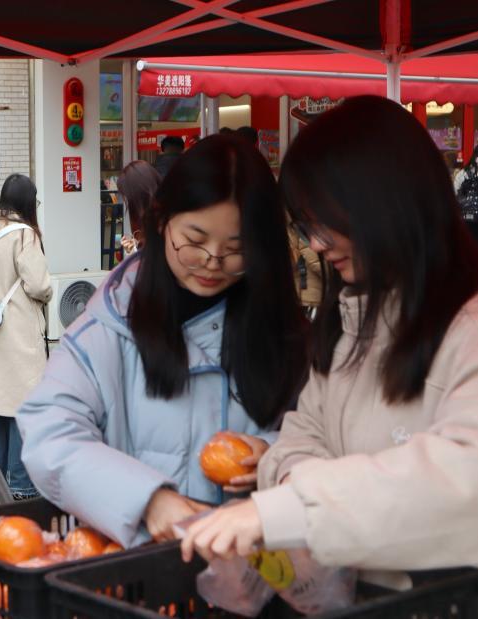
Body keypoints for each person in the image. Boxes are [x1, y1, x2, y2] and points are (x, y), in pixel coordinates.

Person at [179, 96, 478, 588]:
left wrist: (293, 507)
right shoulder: (349, 324)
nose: (315, 244)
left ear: (385, 203)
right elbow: (300, 436)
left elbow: (457, 480)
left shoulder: (465, 329)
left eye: (325, 222)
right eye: (305, 225)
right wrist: (304, 492)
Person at [17, 134, 309, 549]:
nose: (212, 261)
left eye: (236, 248)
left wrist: (274, 453)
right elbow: (49, 434)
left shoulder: (285, 331)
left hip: (255, 576)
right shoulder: (108, 327)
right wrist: (147, 499)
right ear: (159, 222)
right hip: (138, 580)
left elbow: (325, 436)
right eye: (194, 241)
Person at [0, 174, 52, 500]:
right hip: (19, 331)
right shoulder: (24, 235)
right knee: (24, 407)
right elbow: (39, 285)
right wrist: (49, 291)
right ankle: (20, 483)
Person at [117, 160, 161, 256]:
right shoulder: (160, 213)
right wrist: (134, 248)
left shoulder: (163, 220)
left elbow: (152, 261)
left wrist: (134, 252)